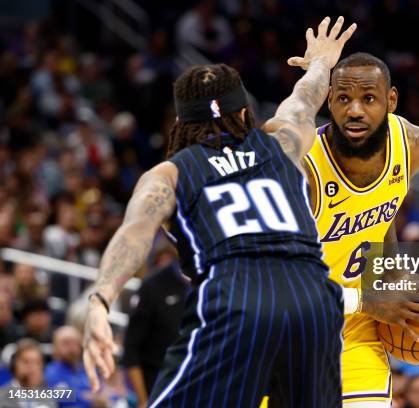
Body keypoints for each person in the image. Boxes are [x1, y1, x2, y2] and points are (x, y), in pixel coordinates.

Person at [83, 16, 356, 408]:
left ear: (179, 122)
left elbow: (134, 233)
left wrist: (100, 301)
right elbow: (304, 100)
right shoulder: (283, 143)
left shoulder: (170, 174)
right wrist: (321, 63)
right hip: (313, 297)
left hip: (237, 299)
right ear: (245, 112)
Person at [298, 52, 419, 406]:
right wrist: (370, 300)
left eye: (368, 99)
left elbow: (383, 216)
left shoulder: (412, 146)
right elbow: (280, 285)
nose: (355, 111)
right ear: (329, 100)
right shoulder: (303, 172)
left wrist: (394, 276)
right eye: (344, 98)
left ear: (391, 100)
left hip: (357, 336)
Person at [123, 258, 189, 407]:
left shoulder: (215, 281)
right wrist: (142, 401)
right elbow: (130, 348)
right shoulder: (152, 285)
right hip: (156, 386)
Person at [0, 338, 57, 408]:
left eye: (37, 363)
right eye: (26, 362)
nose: (32, 368)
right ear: (14, 365)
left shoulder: (47, 398)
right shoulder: (2, 397)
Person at [44, 326, 90, 407]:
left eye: (75, 343)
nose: (72, 348)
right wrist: (88, 398)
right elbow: (59, 396)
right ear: (55, 347)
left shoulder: (86, 371)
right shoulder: (50, 372)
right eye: (66, 343)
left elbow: (105, 393)